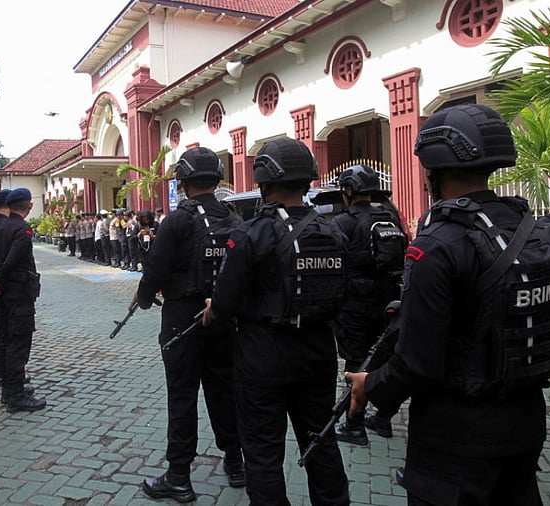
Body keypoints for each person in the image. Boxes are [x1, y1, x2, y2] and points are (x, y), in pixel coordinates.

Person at [347, 104, 550, 505]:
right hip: (525, 420)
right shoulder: (534, 230)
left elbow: (416, 362)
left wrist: (371, 387)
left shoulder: (437, 246)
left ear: (432, 169)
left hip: (455, 435)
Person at [205, 137, 350, 505]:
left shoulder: (252, 232)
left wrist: (215, 312)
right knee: (322, 443)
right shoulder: (332, 231)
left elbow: (224, 303)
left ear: (264, 181)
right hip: (318, 354)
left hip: (262, 356)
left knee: (263, 453)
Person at [134, 147, 244, 502]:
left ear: (182, 181)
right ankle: (236, 462)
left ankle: (179, 475)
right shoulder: (233, 217)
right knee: (224, 390)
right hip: (223, 317)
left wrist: (145, 296)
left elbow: (156, 268)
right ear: (216, 179)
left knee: (182, 395)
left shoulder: (177, 221)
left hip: (183, 318)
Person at [331, 165, 407, 444]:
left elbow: (334, 264)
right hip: (387, 301)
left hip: (353, 304)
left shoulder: (343, 222)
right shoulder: (390, 216)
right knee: (385, 358)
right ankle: (384, 417)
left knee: (356, 362)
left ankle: (354, 424)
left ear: (349, 190)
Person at [0, 188, 46, 413]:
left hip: (3, 294)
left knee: (6, 339)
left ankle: (9, 389)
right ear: (29, 206)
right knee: (18, 345)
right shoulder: (22, 230)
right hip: (17, 294)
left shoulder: (0, 226)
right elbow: (13, 260)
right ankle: (16, 396)